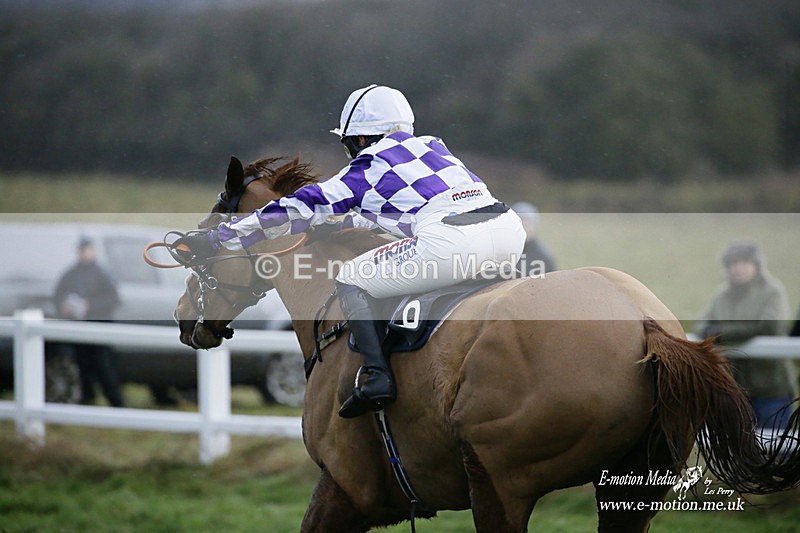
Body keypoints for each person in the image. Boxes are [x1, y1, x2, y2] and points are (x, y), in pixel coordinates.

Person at [177, 84, 525, 418]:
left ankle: (378, 379)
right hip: (509, 231)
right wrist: (339, 225)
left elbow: (296, 207)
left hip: (451, 242)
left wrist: (217, 239)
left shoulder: (368, 166)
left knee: (352, 276)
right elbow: (405, 207)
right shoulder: (433, 146)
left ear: (359, 138)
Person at [693, 239, 796, 428]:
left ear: (756, 265)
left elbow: (768, 327)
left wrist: (720, 333)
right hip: (736, 391)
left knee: (775, 450)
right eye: (733, 263)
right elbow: (701, 325)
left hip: (771, 390)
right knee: (743, 451)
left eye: (744, 262)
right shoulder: (721, 296)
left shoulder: (772, 292)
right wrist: (711, 331)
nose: (739, 268)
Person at [54, 236, 125, 407]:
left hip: (100, 328)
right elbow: (58, 296)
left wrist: (90, 305)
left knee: (104, 367)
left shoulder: (102, 274)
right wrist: (64, 306)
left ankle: (116, 403)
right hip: (79, 328)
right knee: (82, 367)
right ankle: (87, 400)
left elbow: (113, 299)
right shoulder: (70, 274)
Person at [511, 201, 557, 275]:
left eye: (527, 224)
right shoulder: (504, 252)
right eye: (520, 223)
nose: (524, 228)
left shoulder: (542, 258)